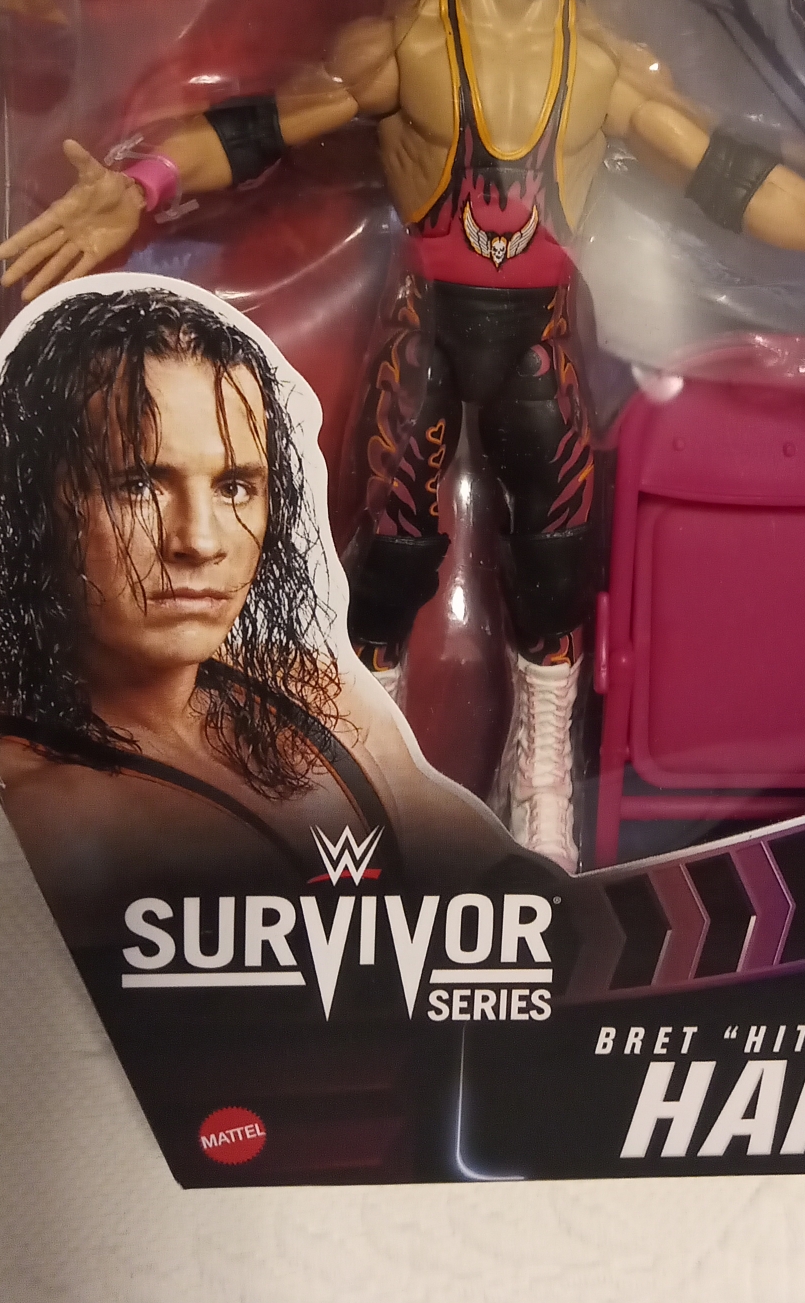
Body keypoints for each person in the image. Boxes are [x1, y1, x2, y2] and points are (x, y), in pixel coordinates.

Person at [0, 0, 805, 871]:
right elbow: (263, 127)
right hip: (427, 325)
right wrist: (144, 183)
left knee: (555, 558)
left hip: (540, 334)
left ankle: (544, 783)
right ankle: (372, 777)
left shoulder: (600, 62)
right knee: (389, 556)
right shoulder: (409, 45)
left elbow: (722, 170)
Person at [0, 281, 514, 945]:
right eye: (140, 485)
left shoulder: (309, 698)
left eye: (235, 486)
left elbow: (524, 901)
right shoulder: (33, 811)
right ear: (35, 505)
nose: (199, 541)